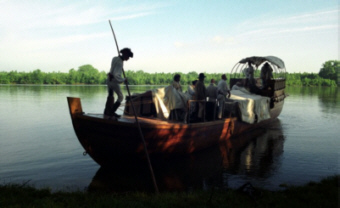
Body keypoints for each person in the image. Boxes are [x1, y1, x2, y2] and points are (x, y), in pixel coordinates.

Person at [104, 48, 133, 117]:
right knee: (121, 97)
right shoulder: (120, 62)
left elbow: (113, 70)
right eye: (128, 57)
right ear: (125, 55)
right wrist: (124, 80)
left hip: (109, 80)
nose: (128, 59)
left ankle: (107, 112)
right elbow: (116, 75)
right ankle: (111, 112)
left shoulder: (114, 58)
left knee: (111, 95)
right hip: (114, 81)